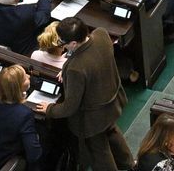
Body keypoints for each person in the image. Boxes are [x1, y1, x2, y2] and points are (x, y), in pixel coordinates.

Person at [46, 17, 131, 171]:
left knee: (100, 151)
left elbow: (70, 107)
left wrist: (50, 109)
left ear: (73, 44)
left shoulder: (76, 69)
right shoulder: (101, 35)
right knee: (112, 131)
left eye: (62, 42)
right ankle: (129, 164)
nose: (61, 45)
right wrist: (66, 66)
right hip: (112, 102)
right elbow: (90, 58)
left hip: (93, 118)